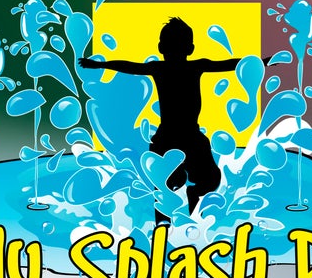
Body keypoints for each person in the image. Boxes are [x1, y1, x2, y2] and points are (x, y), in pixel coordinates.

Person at [80, 16, 240, 213]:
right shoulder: (190, 66)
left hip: (174, 137)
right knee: (198, 181)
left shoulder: (167, 68)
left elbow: (129, 66)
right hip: (183, 136)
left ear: (160, 47)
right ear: (190, 48)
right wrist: (260, 63)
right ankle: (188, 202)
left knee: (170, 185)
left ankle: (172, 217)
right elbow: (229, 64)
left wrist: (100, 65)